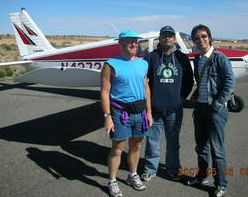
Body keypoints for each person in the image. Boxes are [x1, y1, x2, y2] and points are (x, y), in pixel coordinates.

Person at [100, 30, 153, 197]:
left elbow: (146, 88)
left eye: (136, 41)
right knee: (117, 148)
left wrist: (149, 112)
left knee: (136, 145)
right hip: (120, 112)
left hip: (140, 112)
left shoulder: (143, 63)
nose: (134, 44)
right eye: (130, 41)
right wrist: (107, 117)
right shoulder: (110, 64)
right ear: (120, 44)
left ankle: (132, 175)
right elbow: (104, 92)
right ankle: (112, 181)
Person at [187, 24, 235, 197]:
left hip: (215, 109)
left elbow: (230, 83)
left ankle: (221, 183)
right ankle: (202, 176)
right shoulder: (198, 59)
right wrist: (196, 94)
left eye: (204, 36)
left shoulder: (220, 58)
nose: (201, 40)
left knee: (217, 149)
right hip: (200, 108)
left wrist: (217, 104)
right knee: (201, 146)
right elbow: (202, 82)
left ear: (210, 37)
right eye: (197, 38)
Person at [141, 26, 194, 182]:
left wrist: (183, 96)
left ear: (174, 39)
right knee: (152, 142)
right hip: (154, 109)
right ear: (160, 38)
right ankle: (150, 169)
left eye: (170, 35)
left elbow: (189, 80)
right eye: (164, 35)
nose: (167, 38)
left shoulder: (182, 58)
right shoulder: (151, 57)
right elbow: (143, 81)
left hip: (174, 109)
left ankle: (173, 169)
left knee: (173, 142)